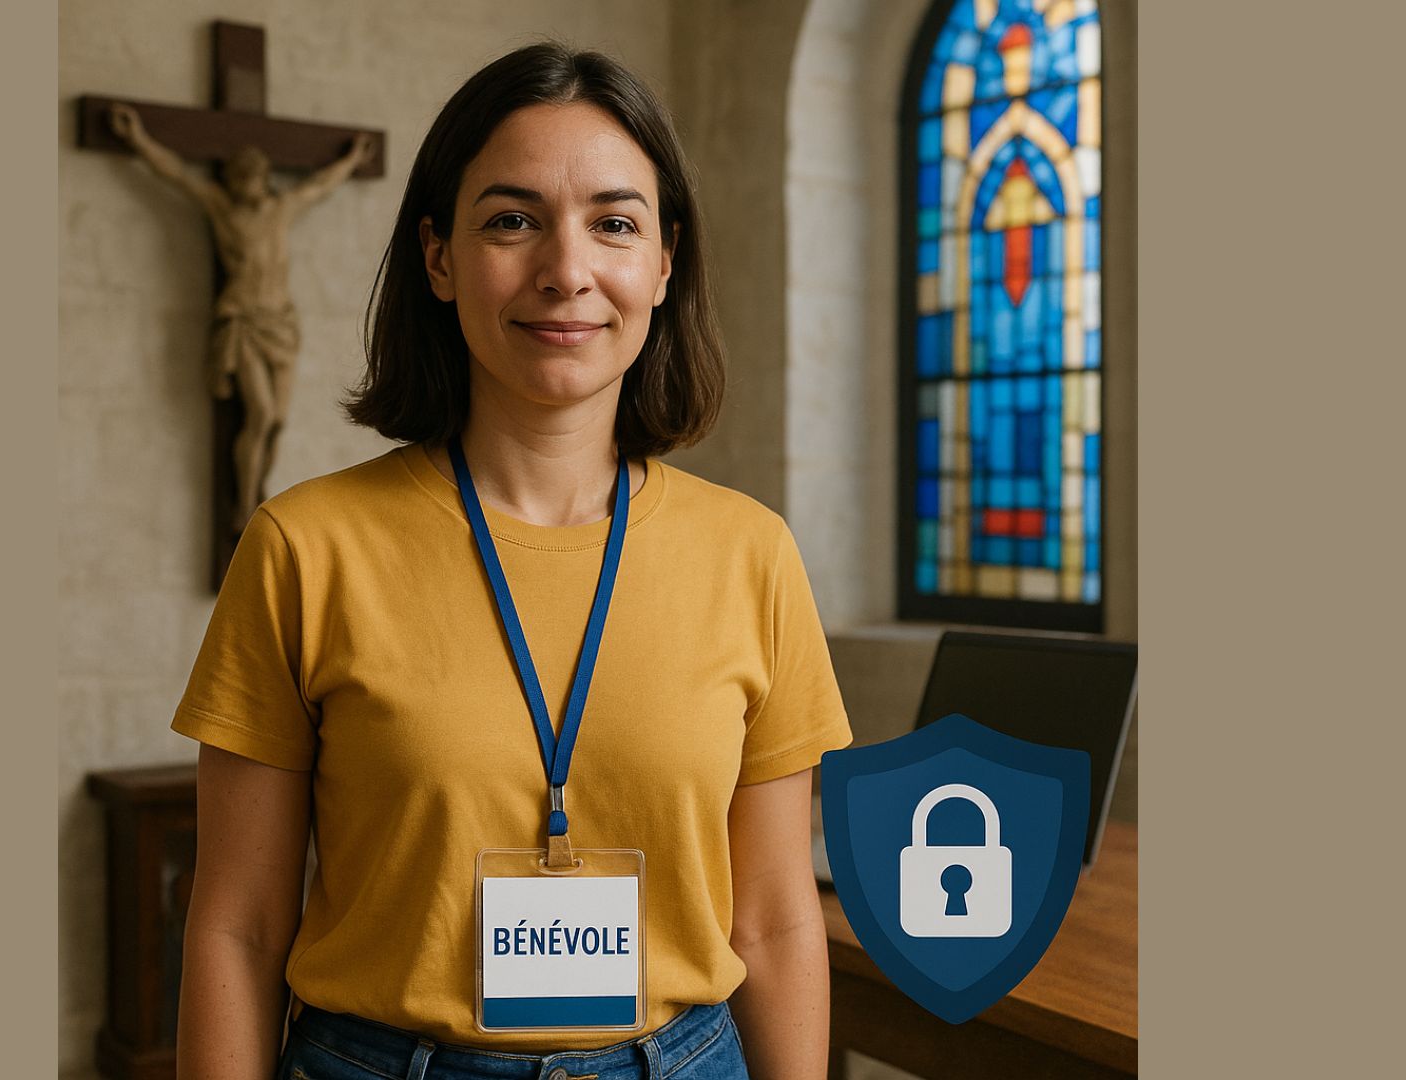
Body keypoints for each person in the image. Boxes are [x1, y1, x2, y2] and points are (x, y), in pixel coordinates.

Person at [169, 42, 851, 1080]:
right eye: (512, 220)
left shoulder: (751, 555)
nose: (566, 271)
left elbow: (772, 921)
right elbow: (239, 926)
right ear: (439, 258)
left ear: (665, 263)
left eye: (614, 223)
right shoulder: (304, 550)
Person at [109, 102, 377, 530]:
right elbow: (174, 173)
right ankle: (245, 506)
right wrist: (138, 138)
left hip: (281, 324)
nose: (245, 185)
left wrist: (350, 159)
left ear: (262, 179)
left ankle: (258, 492)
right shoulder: (220, 208)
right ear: (231, 180)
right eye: (238, 178)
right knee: (262, 415)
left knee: (279, 422)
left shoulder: (282, 209)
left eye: (252, 178)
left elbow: (320, 186)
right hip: (245, 323)